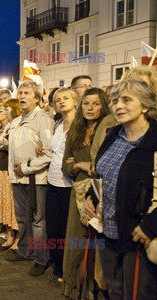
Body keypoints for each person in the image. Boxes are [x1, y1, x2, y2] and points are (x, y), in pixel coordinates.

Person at [86, 80, 157, 299]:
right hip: (107, 231)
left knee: (137, 294)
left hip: (138, 236)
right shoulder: (113, 135)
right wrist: (92, 196)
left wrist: (150, 226)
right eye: (115, 101)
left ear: (145, 106)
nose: (118, 106)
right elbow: (102, 174)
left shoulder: (153, 141)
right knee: (114, 290)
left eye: (127, 100)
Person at [61, 88, 110, 298]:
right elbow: (65, 165)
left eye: (96, 104)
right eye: (86, 103)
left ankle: (96, 288)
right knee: (76, 239)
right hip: (79, 190)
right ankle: (75, 288)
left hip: (103, 189)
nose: (90, 108)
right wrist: (78, 165)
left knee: (99, 243)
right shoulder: (75, 130)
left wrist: (85, 164)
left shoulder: (110, 129)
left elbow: (104, 164)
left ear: (104, 106)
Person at [6, 80, 54, 277]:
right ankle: (25, 249)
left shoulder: (43, 119)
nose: (22, 96)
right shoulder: (17, 120)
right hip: (17, 179)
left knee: (38, 221)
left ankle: (41, 258)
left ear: (37, 97)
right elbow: (10, 147)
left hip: (36, 179)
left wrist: (25, 168)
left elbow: (49, 152)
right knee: (22, 218)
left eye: (26, 93)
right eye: (20, 93)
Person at [42, 88, 77, 286]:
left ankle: (68, 269)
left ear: (75, 100)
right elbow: (54, 150)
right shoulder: (58, 123)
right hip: (53, 181)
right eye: (57, 99)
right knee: (53, 228)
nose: (61, 102)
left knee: (67, 230)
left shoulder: (81, 126)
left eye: (65, 98)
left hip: (69, 185)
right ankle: (57, 266)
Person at [0, 100, 22, 251]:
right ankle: (10, 234)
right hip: (2, 168)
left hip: (11, 170)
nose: (2, 112)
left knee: (12, 205)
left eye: (6, 109)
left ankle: (18, 238)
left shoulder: (18, 125)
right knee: (5, 204)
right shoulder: (7, 127)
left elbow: (10, 146)